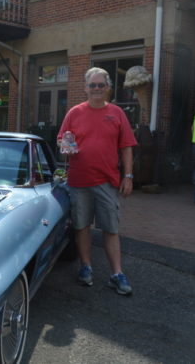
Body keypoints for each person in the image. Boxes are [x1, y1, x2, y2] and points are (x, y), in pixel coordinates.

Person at [57, 67, 137, 296]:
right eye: (92, 85)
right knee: (81, 226)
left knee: (110, 228)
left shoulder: (117, 113)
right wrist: (66, 147)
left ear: (107, 87)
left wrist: (128, 176)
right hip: (79, 180)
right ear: (85, 88)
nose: (96, 89)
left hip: (107, 181)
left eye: (101, 85)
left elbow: (126, 147)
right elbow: (63, 141)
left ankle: (117, 273)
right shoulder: (74, 113)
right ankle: (86, 267)